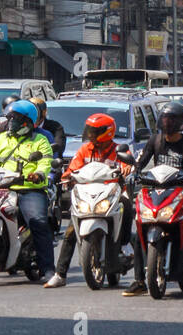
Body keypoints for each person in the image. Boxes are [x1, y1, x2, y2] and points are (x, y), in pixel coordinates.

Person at [124, 100, 183, 296]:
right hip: (156, 191)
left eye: (171, 119)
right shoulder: (155, 141)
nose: (167, 122)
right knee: (140, 226)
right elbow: (141, 162)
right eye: (165, 118)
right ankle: (139, 280)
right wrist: (134, 172)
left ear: (181, 122)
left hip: (181, 191)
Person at [0, 100, 56, 283]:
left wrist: (38, 174)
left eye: (15, 119)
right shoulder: (2, 139)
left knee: (38, 222)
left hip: (29, 189)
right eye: (9, 118)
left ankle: (48, 269)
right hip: (2, 187)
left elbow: (45, 163)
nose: (11, 123)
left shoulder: (40, 140)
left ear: (27, 122)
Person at [45, 113, 132, 288]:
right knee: (70, 231)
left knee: (128, 206)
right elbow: (72, 169)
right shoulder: (84, 149)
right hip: (87, 194)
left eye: (94, 131)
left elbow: (128, 165)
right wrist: (68, 177)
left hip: (112, 192)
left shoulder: (120, 150)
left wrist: (127, 169)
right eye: (89, 131)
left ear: (107, 132)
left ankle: (125, 244)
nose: (90, 135)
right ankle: (60, 274)